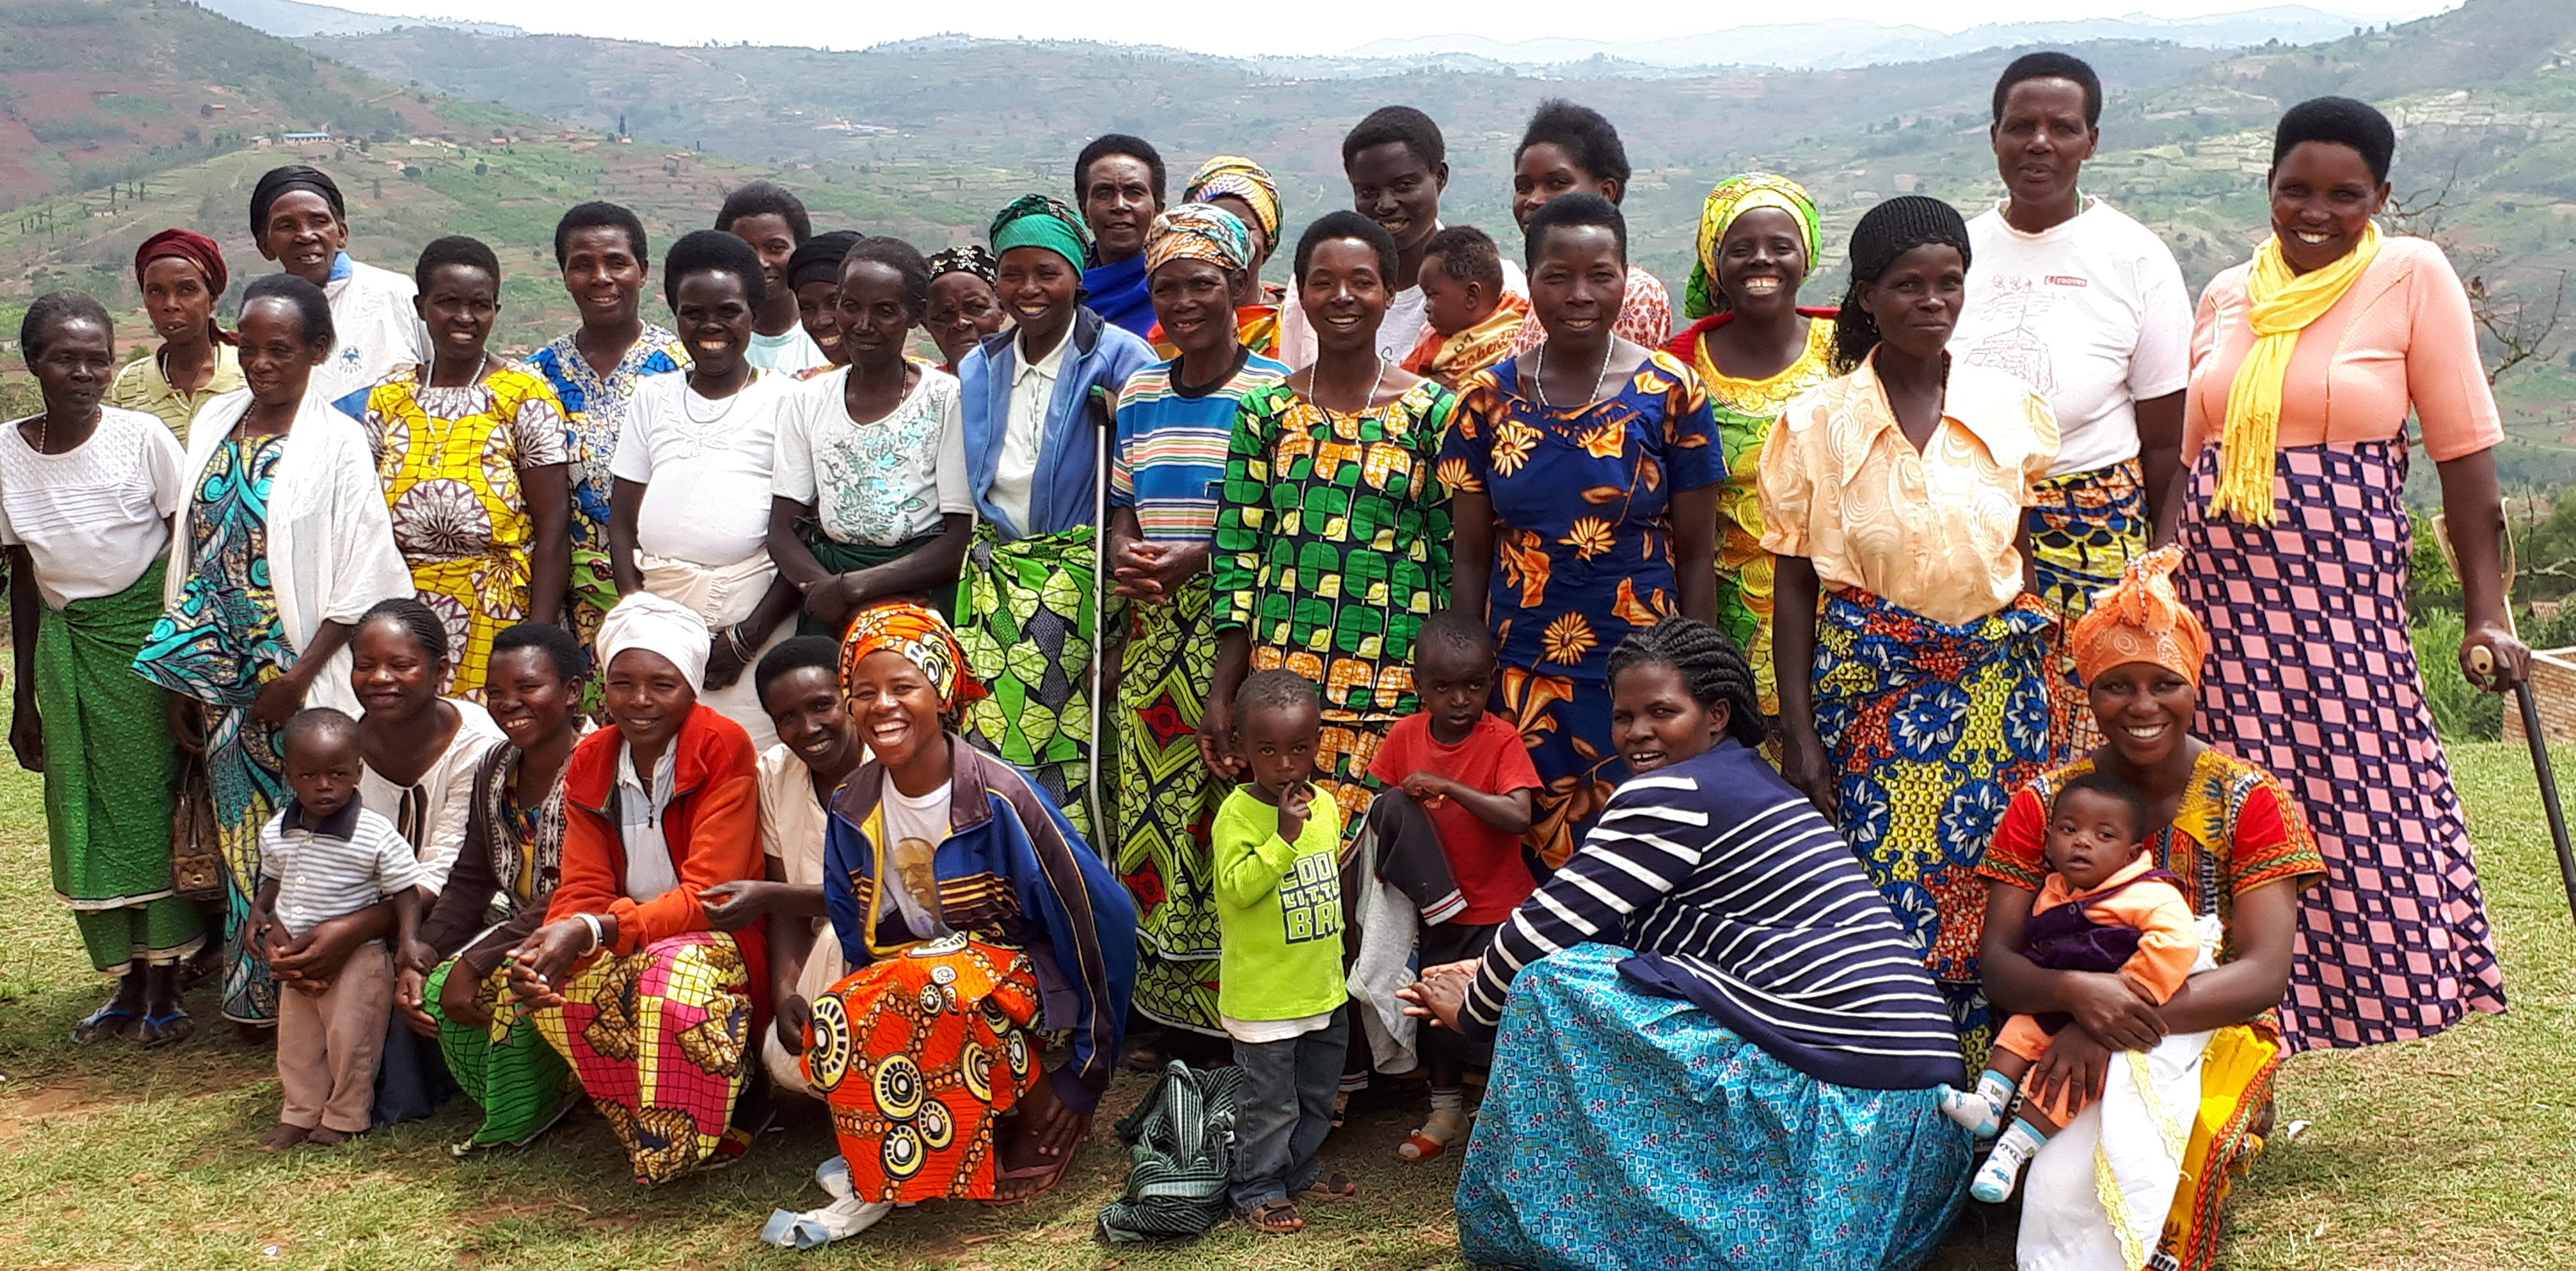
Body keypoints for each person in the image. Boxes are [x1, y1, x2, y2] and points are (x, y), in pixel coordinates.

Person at [1397, 619, 1970, 1271]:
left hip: (1850, 1118)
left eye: (1661, 712)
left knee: (1550, 988)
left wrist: (1473, 1006)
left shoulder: (1675, 794)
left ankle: (1556, 1225)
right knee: (1562, 972)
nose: (1638, 732)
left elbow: (1541, 932)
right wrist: (1489, 967)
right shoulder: (1749, 781)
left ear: (1716, 714)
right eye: (1624, 716)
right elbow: (1592, 927)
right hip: (1913, 1143)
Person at [2176, 96, 2518, 1052]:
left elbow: (2464, 462)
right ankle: (2232, 1037)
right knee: (2224, 805)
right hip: (2221, 605)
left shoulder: (2408, 274)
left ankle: (2373, 994)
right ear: (2269, 187)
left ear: (2380, 196)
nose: (2315, 212)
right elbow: (2190, 462)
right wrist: (2162, 581)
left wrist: (2486, 612)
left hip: (2339, 601)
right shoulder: (2224, 294)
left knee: (2360, 795)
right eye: (2295, 189)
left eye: (2343, 194)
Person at [1763, 194, 2060, 1063]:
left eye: (1948, 284)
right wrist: (1800, 734)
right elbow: (1794, 589)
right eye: (1907, 286)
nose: (1931, 302)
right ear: (1865, 296)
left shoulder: (2010, 409)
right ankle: (1901, 1097)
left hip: (1999, 703)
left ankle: (1997, 1097)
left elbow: (2021, 557)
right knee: (1882, 909)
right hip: (1873, 703)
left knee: (2006, 895)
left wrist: (2040, 688)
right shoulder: (1813, 426)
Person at [1977, 546, 2325, 1271]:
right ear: (2088, 692)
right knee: (2057, 1186)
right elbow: (2001, 967)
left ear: (2194, 686)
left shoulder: (2249, 799)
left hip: (2207, 1030)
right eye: (2116, 685)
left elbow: (2261, 978)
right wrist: (2077, 997)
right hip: (2067, 1023)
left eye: (2164, 682)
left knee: (2147, 1182)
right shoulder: (2046, 804)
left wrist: (2112, 1024)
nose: (2141, 706)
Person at [759, 603, 1137, 1247]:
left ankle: (1042, 1105)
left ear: (942, 694)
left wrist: (1085, 1076)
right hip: (935, 975)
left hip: (1025, 981)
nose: (883, 706)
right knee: (847, 1006)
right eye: (866, 692)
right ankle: (944, 1146)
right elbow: (859, 944)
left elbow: (1102, 920)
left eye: (903, 687)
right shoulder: (854, 807)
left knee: (932, 976)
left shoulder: (1001, 797)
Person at [133, 273, 414, 1030]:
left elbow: (365, 570)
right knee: (244, 843)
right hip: (221, 673)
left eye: (281, 349)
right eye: (247, 347)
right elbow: (190, 553)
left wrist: (297, 678)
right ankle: (258, 999)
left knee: (317, 837)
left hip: (300, 675)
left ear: (318, 351)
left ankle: (321, 995)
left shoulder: (339, 441)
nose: (261, 363)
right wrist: (184, 674)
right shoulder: (216, 421)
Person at [1445, 193, 1723, 869]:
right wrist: (1470, 680)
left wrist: (1702, 682)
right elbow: (1472, 556)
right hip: (1525, 679)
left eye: (1600, 274)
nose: (1579, 294)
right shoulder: (1484, 400)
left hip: (1646, 686)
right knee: (1536, 859)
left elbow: (1696, 555)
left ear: (1627, 276)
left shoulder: (1672, 392)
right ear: (1530, 280)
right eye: (1556, 276)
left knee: (1644, 862)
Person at [1951, 53, 2192, 756]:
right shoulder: (1958, 251)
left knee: (2100, 726)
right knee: (1991, 721)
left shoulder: (2134, 258)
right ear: (1993, 135)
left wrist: (2156, 568)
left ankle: (2101, 868)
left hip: (2097, 528)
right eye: (2021, 125)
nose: (2040, 142)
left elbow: (2165, 445)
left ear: (2092, 141)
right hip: (1973, 521)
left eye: (2063, 126)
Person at [1204, 211, 1457, 840]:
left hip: (1396, 682)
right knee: (1292, 864)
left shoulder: (1432, 413)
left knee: (1387, 864)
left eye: (1361, 281)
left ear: (1389, 294)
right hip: (1287, 698)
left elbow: (1452, 554)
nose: (1341, 297)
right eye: (1323, 281)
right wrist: (1223, 693)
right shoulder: (1266, 412)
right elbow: (1239, 551)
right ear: (1301, 293)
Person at [505, 592, 769, 1185]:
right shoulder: (593, 756)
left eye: (662, 684)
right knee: (540, 974)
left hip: (717, 938)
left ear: (692, 686)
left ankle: (699, 1126)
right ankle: (644, 1121)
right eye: (623, 683)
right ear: (603, 687)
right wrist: (561, 934)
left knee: (673, 973)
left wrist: (597, 928)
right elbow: (584, 883)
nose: (640, 701)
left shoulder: (722, 745)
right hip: (630, 932)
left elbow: (712, 894)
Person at [1107, 203, 1293, 1044]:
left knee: (1222, 809)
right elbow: (1120, 502)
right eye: (1166, 287)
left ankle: (1232, 1009)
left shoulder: (1268, 393)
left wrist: (1195, 558)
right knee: (1151, 809)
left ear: (1234, 286)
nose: (1183, 302)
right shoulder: (1140, 391)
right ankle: (1162, 1012)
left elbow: (1273, 522)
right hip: (1152, 631)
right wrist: (1126, 550)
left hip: (1230, 628)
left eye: (1201, 284)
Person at [7, 292, 200, 1046]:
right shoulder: (5, 451)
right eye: (66, 358)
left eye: (98, 358)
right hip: (66, 647)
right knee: (80, 805)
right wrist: (25, 698)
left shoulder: (143, 437)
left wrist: (183, 662)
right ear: (34, 364)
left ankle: (167, 982)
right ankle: (121, 982)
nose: (85, 373)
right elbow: (23, 575)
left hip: (143, 643)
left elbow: (187, 545)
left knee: (152, 804)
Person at [955, 195, 1156, 835]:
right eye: (1012, 273)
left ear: (1077, 276)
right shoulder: (980, 365)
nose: (1029, 288)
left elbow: (1136, 484)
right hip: (996, 585)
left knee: (1081, 749)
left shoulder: (1120, 357)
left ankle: (1084, 897)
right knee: (993, 743)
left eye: (1047, 272)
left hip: (1082, 579)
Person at [1942, 771, 2197, 1203]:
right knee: (2018, 1031)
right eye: (2069, 829)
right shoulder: (2054, 890)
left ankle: (2011, 1153)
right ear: (2047, 842)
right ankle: (1988, 1101)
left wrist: (2123, 996)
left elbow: (2177, 944)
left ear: (2131, 852)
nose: (2082, 842)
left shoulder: (2149, 893)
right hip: (2055, 1001)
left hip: (2112, 1017)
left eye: (2103, 835)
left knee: (2064, 1085)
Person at [345, 236, 573, 700]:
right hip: (403, 613)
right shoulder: (391, 394)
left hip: (496, 609)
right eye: (448, 303)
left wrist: (535, 639)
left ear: (495, 309)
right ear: (421, 305)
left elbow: (553, 529)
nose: (464, 318)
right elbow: (363, 517)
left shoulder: (524, 394)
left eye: (479, 305)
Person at [608, 230, 804, 751]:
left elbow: (800, 533)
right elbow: (623, 522)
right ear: (675, 315)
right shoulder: (652, 397)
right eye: (693, 312)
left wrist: (745, 640)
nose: (710, 326)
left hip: (755, 625)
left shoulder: (789, 401)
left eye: (729, 311)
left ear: (754, 316)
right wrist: (642, 623)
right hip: (660, 626)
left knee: (751, 762)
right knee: (670, 765)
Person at [402, 621, 588, 1152]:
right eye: (497, 693)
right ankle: (527, 1096)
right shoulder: (495, 767)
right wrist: (423, 952)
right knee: (431, 989)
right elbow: (470, 879)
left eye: (528, 688)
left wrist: (476, 960)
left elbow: (580, 886)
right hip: (521, 923)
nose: (509, 704)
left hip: (585, 927)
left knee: (501, 988)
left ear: (572, 691)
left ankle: (557, 1096)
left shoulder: (598, 762)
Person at [1361, 609, 1538, 1162]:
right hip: (1430, 913)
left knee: (1494, 1011)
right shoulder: (1405, 735)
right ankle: (1445, 1113)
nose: (1459, 700)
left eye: (1473, 686)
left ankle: (1500, 1115)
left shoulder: (1501, 738)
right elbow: (1384, 812)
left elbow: (1519, 815)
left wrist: (1449, 786)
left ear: (1491, 680)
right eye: (1442, 687)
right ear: (1418, 687)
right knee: (1435, 1013)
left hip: (1495, 907)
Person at [1661, 174, 1837, 720]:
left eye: (1781, 247)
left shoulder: (1848, 354)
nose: (1762, 260)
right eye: (1741, 249)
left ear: (1805, 258)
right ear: (1716, 263)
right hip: (1723, 617)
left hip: (1837, 616)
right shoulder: (1678, 368)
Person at [347, 596, 508, 1122]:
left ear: (440, 671)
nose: (380, 679)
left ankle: (409, 1085)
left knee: (395, 953)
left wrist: (348, 930)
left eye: (400, 665)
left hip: (465, 906)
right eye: (365, 665)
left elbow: (449, 866)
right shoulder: (343, 744)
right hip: (376, 908)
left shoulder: (478, 742)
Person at [768, 236, 974, 638]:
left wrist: (856, 589)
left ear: (917, 314)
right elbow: (781, 530)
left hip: (918, 594)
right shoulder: (807, 399)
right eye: (850, 306)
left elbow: (958, 539)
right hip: (827, 598)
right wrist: (826, 592)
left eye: (884, 311)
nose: (863, 325)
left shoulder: (947, 398)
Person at [1213, 670, 1357, 1235]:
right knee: (1268, 1103)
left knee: (1316, 1093)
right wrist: (1282, 839)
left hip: (1321, 987)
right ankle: (1258, 1187)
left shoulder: (1324, 805)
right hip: (1266, 1000)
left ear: (1318, 744)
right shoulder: (1239, 815)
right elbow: (1238, 888)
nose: (1286, 766)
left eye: (1300, 749)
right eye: (1268, 751)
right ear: (1243, 749)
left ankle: (1297, 1169)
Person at [518, 202, 691, 651]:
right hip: (570, 596)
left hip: (669, 590)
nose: (601, 278)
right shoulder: (533, 378)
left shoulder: (682, 368)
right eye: (582, 265)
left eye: (617, 262)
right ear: (564, 275)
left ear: (644, 271)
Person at [251, 707, 424, 1151]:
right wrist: (260, 914)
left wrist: (408, 942)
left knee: (351, 1039)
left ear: (358, 772)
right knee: (297, 1041)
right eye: (309, 775)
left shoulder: (373, 833)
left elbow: (405, 890)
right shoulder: (278, 831)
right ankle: (300, 1112)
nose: (324, 786)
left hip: (358, 956)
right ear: (289, 774)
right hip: (297, 955)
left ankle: (347, 1116)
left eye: (337, 773)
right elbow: (272, 877)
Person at [693, 636, 858, 1098]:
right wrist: (786, 993)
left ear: (851, 696)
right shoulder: (772, 775)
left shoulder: (893, 761)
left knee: (834, 939)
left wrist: (767, 896)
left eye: (822, 705)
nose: (809, 728)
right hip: (824, 952)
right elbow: (787, 908)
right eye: (787, 718)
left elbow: (897, 898)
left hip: (894, 943)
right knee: (784, 1058)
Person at [1277, 107, 1527, 366]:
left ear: (1439, 178)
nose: (1385, 204)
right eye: (1367, 191)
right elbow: (1291, 379)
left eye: (1404, 186)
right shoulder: (1319, 281)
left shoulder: (1496, 282)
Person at [1503, 100, 1672, 355]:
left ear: (1606, 193)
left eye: (1557, 183)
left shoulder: (1633, 294)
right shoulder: (1543, 289)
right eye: (1524, 187)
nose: (1534, 199)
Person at [247, 165, 424, 404]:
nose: (306, 235)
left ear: (341, 233)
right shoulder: (263, 318)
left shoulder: (396, 294)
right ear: (265, 245)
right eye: (286, 226)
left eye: (319, 221)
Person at [108, 229, 244, 441]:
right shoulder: (130, 384)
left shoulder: (248, 372)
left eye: (186, 290)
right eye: (156, 291)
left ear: (213, 299)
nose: (170, 305)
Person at [1174, 154, 1286, 355]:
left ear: (1267, 242)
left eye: (1243, 227)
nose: (1228, 239)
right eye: (1211, 226)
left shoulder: (1295, 322)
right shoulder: (1174, 323)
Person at [719, 180, 830, 375]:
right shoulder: (713, 342)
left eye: (776, 248)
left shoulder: (829, 339)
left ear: (800, 250)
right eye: (746, 250)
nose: (761, 261)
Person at [1400, 226, 1530, 388]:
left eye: (1431, 295)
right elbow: (1403, 386)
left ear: (1471, 295)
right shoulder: (1432, 345)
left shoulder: (1520, 314)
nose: (1426, 307)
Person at [1075, 134, 1167, 338]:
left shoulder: (1178, 287)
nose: (1119, 205)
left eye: (1134, 192)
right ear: (1084, 212)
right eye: (1104, 193)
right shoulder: (1063, 288)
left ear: (1158, 209)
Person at [787, 230, 864, 375]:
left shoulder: (919, 387)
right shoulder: (801, 392)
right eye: (807, 307)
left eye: (835, 303)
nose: (820, 321)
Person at [923, 247, 1007, 374]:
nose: (961, 323)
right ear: (925, 323)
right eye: (944, 314)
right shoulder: (925, 391)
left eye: (976, 308)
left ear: (1002, 309)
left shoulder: (1032, 384)